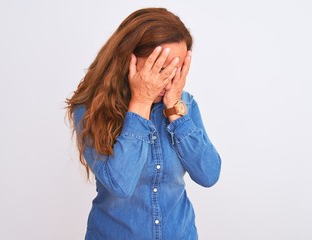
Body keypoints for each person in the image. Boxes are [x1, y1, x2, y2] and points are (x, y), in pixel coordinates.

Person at [66, 7, 221, 240]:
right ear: (128, 58)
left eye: (176, 68)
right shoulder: (90, 108)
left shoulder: (183, 104)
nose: (168, 78)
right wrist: (141, 101)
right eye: (160, 67)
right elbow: (120, 185)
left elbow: (209, 175)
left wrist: (174, 110)